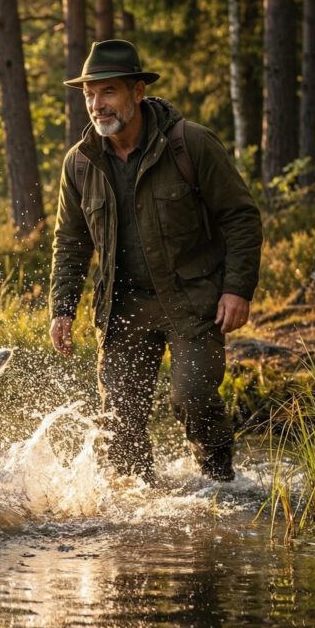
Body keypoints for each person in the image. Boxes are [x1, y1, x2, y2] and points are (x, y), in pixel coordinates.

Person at [49, 39, 262, 482]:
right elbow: (70, 241)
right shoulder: (81, 163)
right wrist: (62, 309)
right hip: (123, 308)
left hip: (193, 301)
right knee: (119, 424)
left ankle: (221, 483)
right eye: (89, 94)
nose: (96, 104)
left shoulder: (191, 144)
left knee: (192, 397)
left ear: (138, 92)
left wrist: (237, 289)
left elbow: (240, 217)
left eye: (107, 92)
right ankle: (137, 508)